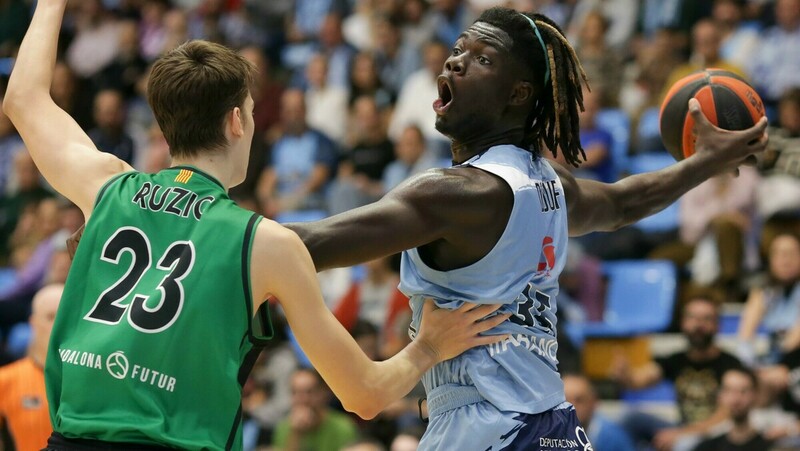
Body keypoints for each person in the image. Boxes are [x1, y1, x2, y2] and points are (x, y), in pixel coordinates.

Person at [2, 1, 508, 448]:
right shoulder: (267, 242)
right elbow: (365, 394)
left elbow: (23, 99)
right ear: (237, 121)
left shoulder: (106, 186)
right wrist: (429, 346)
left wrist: (50, 4)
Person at [283, 6, 768, 449]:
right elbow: (624, 202)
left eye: (482, 59)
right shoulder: (548, 184)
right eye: (456, 52)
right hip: (553, 426)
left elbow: (299, 247)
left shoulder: (456, 193)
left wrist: (213, 217)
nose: (455, 63)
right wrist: (703, 163)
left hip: (485, 429)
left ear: (518, 94)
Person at [612, 296, 744, 450]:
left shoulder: (731, 365)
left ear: (717, 325)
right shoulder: (676, 360)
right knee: (632, 420)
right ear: (683, 323)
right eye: (692, 318)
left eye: (706, 319)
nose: (698, 325)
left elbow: (726, 417)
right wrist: (624, 375)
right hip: (683, 427)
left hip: (715, 434)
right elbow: (637, 381)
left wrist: (681, 434)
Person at [0, 283, 63, 451]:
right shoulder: (5, 380)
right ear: (33, 322)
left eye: (64, 317)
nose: (58, 325)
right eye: (50, 317)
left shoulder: (89, 381)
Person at [272, 368, 358, 451]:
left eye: (309, 392)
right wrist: (296, 434)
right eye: (295, 392)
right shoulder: (284, 427)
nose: (302, 399)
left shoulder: (343, 427)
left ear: (324, 393)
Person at [693, 368, 773, 451]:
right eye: (729, 390)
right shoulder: (708, 446)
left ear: (755, 394)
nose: (735, 399)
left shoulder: (770, 443)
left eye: (743, 391)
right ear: (720, 396)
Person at [562, 373, 635, 451]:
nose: (571, 407)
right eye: (565, 401)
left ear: (593, 402)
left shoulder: (611, 437)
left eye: (579, 400)